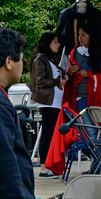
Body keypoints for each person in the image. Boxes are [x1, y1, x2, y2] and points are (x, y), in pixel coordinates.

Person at [0, 27, 36, 199]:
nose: (24, 65)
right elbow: (4, 161)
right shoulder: (0, 104)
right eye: (22, 59)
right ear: (9, 62)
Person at [29, 32, 68, 178]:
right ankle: (44, 167)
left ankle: (49, 165)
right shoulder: (40, 59)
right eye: (55, 42)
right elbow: (39, 81)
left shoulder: (50, 59)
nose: (58, 45)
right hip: (48, 102)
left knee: (51, 134)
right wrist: (57, 82)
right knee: (48, 133)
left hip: (54, 102)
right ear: (47, 44)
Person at [64, 22, 101, 115]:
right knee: (88, 128)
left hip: (98, 96)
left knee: (99, 126)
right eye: (79, 35)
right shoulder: (75, 52)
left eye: (83, 35)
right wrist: (70, 72)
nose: (80, 38)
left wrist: (89, 74)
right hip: (80, 96)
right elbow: (69, 77)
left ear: (91, 36)